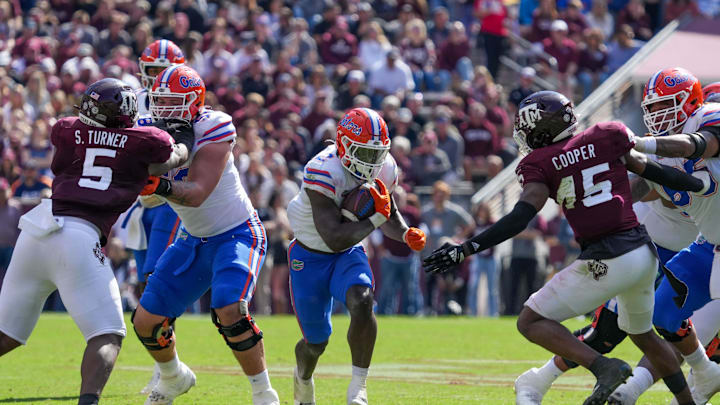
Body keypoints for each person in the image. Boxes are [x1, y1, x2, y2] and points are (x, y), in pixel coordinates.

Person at [423, 90, 712, 405]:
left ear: (540, 127)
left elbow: (521, 217)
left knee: (529, 320)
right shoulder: (606, 134)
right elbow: (654, 171)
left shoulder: (539, 162)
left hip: (608, 256)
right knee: (642, 335)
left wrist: (466, 248)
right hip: (644, 254)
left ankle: (603, 367)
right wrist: (699, 185)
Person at [0, 78, 192, 405]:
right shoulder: (145, 139)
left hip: (36, 230)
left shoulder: (66, 128)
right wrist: (184, 139)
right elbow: (170, 159)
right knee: (107, 334)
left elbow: (76, 142)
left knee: (7, 334)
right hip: (80, 235)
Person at [132, 65, 280, 405]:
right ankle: (173, 377)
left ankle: (263, 392)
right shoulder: (154, 129)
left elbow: (198, 191)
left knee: (230, 307)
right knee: (146, 320)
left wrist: (161, 184)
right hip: (193, 237)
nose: (165, 110)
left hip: (236, 232)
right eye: (161, 101)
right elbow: (149, 197)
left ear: (195, 102)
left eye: (174, 102)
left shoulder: (214, 125)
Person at [286, 108, 426, 405]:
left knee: (363, 300)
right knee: (315, 342)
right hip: (310, 256)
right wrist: (376, 219)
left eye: (377, 153)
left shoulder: (384, 166)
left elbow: (386, 208)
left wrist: (403, 233)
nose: (373, 162)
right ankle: (303, 378)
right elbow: (333, 236)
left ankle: (359, 386)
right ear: (344, 145)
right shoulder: (323, 169)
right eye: (364, 152)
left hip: (348, 252)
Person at [623, 67, 720, 405]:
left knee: (704, 326)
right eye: (651, 108)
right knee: (663, 314)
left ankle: (703, 379)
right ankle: (707, 371)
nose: (656, 115)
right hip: (710, 244)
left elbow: (699, 146)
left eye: (665, 105)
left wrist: (640, 143)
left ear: (689, 101)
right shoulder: (657, 149)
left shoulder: (707, 117)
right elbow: (640, 187)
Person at [125, 38, 186, 395]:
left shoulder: (184, 102)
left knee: (156, 280)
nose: (159, 78)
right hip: (140, 204)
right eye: (153, 71)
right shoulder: (132, 101)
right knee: (145, 286)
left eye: (164, 71)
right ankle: (166, 365)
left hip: (169, 202)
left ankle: (165, 369)